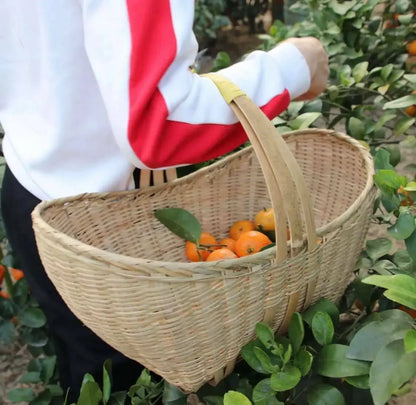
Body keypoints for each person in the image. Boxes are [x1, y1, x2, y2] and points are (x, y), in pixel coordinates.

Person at [0, 1, 329, 401]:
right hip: (105, 222)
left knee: (88, 373)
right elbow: (161, 123)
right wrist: (294, 65)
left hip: (30, 184)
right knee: (122, 379)